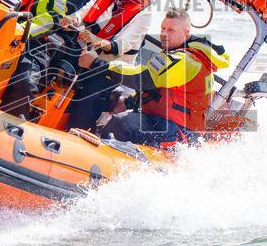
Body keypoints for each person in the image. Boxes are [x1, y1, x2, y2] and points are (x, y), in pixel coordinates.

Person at [77, 8, 230, 147]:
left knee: (121, 124)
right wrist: (129, 102)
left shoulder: (186, 61)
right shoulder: (176, 54)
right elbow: (157, 90)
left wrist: (97, 64)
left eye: (171, 30)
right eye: (163, 28)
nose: (164, 34)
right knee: (110, 99)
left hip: (178, 131)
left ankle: (95, 156)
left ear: (186, 34)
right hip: (165, 122)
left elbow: (143, 78)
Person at [62, 0, 152, 130]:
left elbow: (120, 47)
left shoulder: (144, 13)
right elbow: (83, 13)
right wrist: (71, 19)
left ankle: (78, 131)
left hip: (111, 68)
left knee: (86, 96)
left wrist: (95, 41)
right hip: (84, 53)